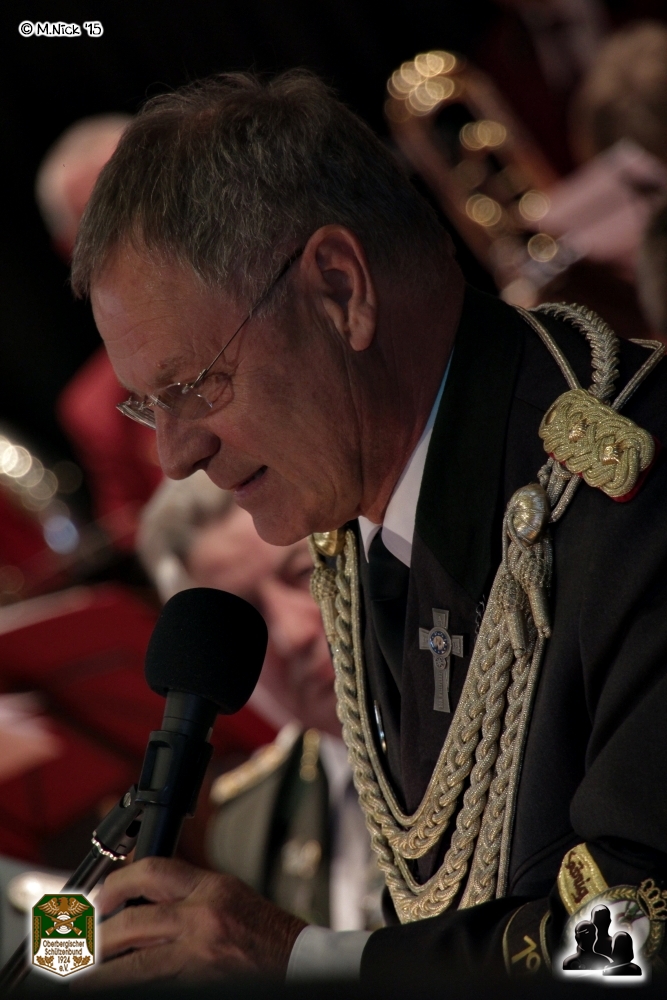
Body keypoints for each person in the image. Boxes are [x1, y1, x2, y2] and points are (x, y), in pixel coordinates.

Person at [69, 71, 667, 985]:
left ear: (340, 288)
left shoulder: (637, 506)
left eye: (194, 386)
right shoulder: (368, 538)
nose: (176, 455)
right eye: (148, 405)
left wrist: (301, 962)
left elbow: (629, 948)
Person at [137, 472, 383, 931]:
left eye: (304, 573)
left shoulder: (498, 717)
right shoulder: (248, 828)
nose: (293, 634)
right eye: (246, 616)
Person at [35, 115, 163, 550]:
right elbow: (139, 544)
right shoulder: (95, 409)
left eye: (145, 196)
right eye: (104, 222)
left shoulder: (285, 302)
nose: (137, 228)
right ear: (72, 254)